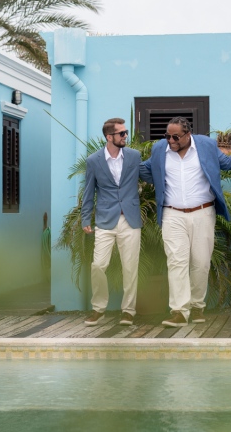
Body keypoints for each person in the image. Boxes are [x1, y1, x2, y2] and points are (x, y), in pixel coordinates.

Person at [140, 116, 231, 327]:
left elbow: (227, 163)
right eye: (167, 135)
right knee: (176, 261)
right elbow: (145, 168)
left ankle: (197, 306)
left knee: (201, 263)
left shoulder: (206, 145)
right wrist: (155, 180)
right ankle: (179, 310)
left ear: (188, 134)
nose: (170, 140)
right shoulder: (160, 148)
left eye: (175, 136)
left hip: (203, 213)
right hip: (172, 214)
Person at [81, 118, 142, 327]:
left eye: (125, 133)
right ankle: (99, 309)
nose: (126, 136)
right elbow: (89, 191)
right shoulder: (94, 160)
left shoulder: (134, 156)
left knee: (130, 267)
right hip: (105, 219)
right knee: (98, 265)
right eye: (122, 133)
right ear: (109, 137)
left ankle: (128, 311)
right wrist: (85, 217)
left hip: (130, 218)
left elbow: (146, 175)